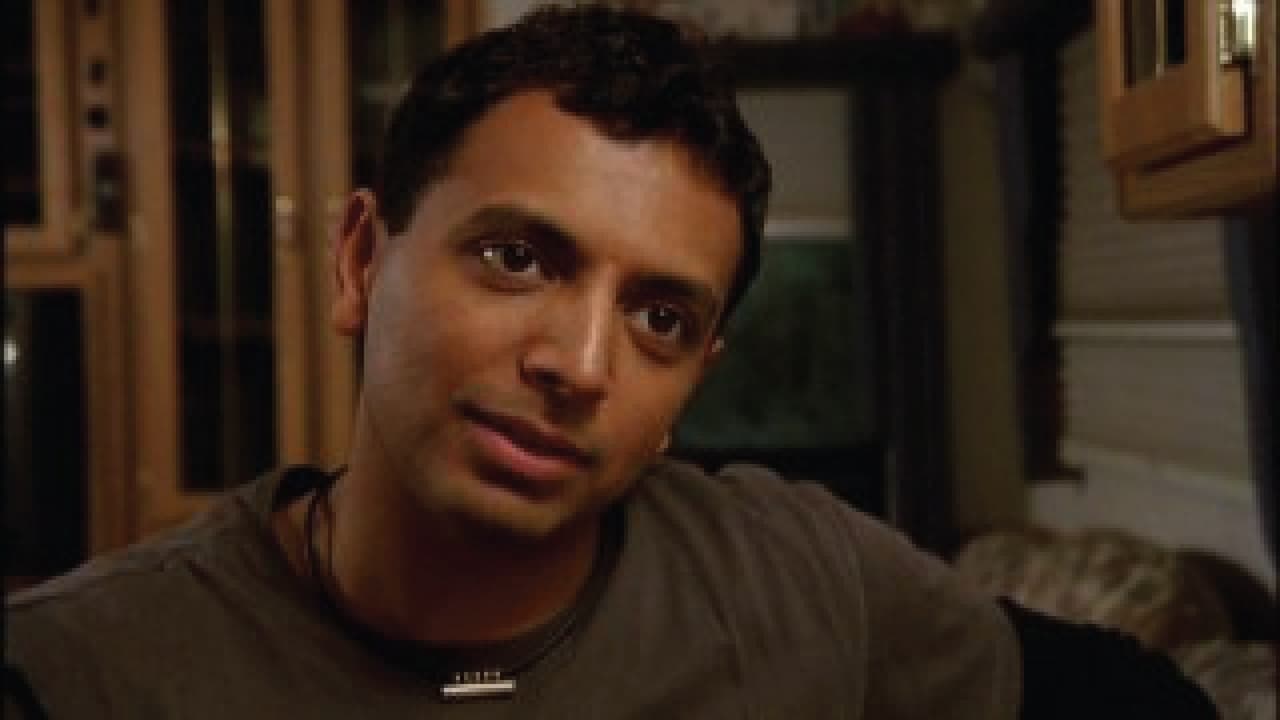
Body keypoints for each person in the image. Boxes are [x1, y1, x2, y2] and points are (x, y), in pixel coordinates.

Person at [6, 5, 1217, 718]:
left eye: (659, 321)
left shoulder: (799, 581)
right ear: (361, 260)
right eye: (517, 259)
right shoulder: (78, 674)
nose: (581, 365)